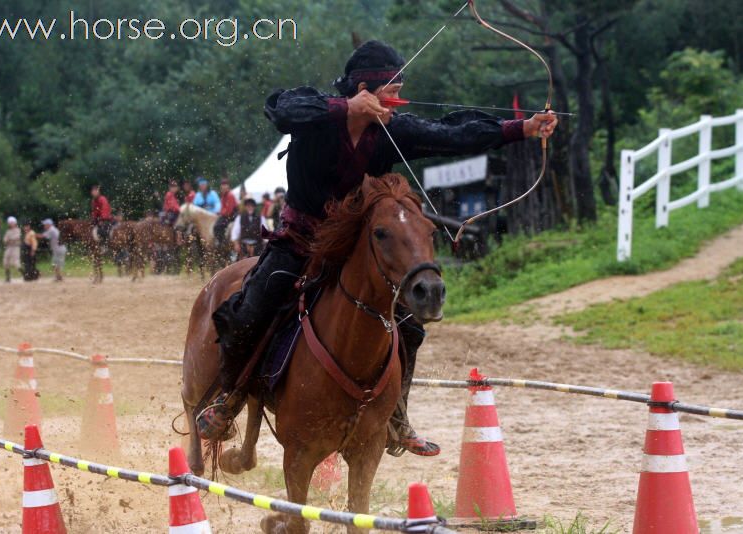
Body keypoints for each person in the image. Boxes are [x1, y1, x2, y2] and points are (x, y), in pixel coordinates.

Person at [202, 40, 558, 456]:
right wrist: (347, 109)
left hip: (355, 249)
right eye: (390, 92)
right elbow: (279, 107)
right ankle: (228, 400)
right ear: (364, 90)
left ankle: (397, 416)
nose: (396, 104)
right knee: (255, 305)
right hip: (299, 242)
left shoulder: (391, 130)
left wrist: (522, 128)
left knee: (408, 322)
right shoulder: (318, 114)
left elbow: (451, 134)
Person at [212, 177, 238, 244]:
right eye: (222, 185)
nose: (223, 187)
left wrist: (221, 213)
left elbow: (229, 211)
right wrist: (219, 213)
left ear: (228, 186)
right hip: (226, 215)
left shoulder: (230, 195)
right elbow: (222, 207)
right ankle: (220, 240)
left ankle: (222, 242)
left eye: (225, 185)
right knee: (217, 224)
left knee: (218, 226)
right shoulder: (224, 196)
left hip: (232, 215)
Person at [90, 184, 113, 249]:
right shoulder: (93, 201)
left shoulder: (102, 199)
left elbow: (104, 210)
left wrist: (102, 220)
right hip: (98, 220)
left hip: (106, 220)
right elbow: (94, 212)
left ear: (98, 191)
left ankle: (105, 246)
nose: (93, 193)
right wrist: (93, 219)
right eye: (92, 191)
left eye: (95, 191)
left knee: (103, 230)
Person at [3, 216, 22, 282]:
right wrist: (9, 240)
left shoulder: (18, 230)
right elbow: (5, 240)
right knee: (5, 262)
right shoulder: (8, 231)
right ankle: (8, 277)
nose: (10, 224)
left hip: (16, 247)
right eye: (9, 223)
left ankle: (24, 274)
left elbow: (16, 237)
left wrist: (10, 239)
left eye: (12, 223)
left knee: (16, 262)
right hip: (9, 247)